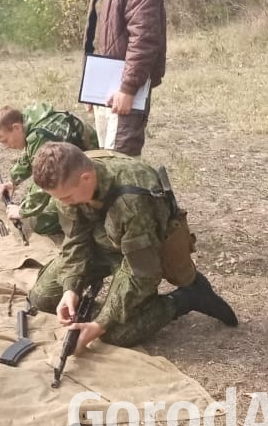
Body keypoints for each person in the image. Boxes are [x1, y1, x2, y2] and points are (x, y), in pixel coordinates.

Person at [26, 143, 237, 351]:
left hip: (138, 256)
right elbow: (75, 241)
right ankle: (115, 309)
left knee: (117, 334)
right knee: (42, 297)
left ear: (86, 179)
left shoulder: (132, 201)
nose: (64, 202)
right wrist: (71, 289)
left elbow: (142, 272)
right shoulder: (71, 183)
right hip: (102, 243)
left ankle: (187, 297)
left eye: (66, 197)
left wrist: (100, 323)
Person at [67, 0, 165, 157]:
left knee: (121, 163)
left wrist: (128, 88)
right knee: (105, 159)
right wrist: (91, 90)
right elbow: (97, 40)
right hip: (105, 89)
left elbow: (144, 39)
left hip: (124, 89)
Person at [0, 103, 98, 234]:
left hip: (88, 177)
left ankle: (87, 215)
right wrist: (13, 181)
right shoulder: (30, 121)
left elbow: (45, 179)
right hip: (76, 165)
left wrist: (23, 210)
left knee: (40, 222)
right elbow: (31, 155)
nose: (6, 146)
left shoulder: (40, 135)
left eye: (5, 140)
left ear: (16, 127)